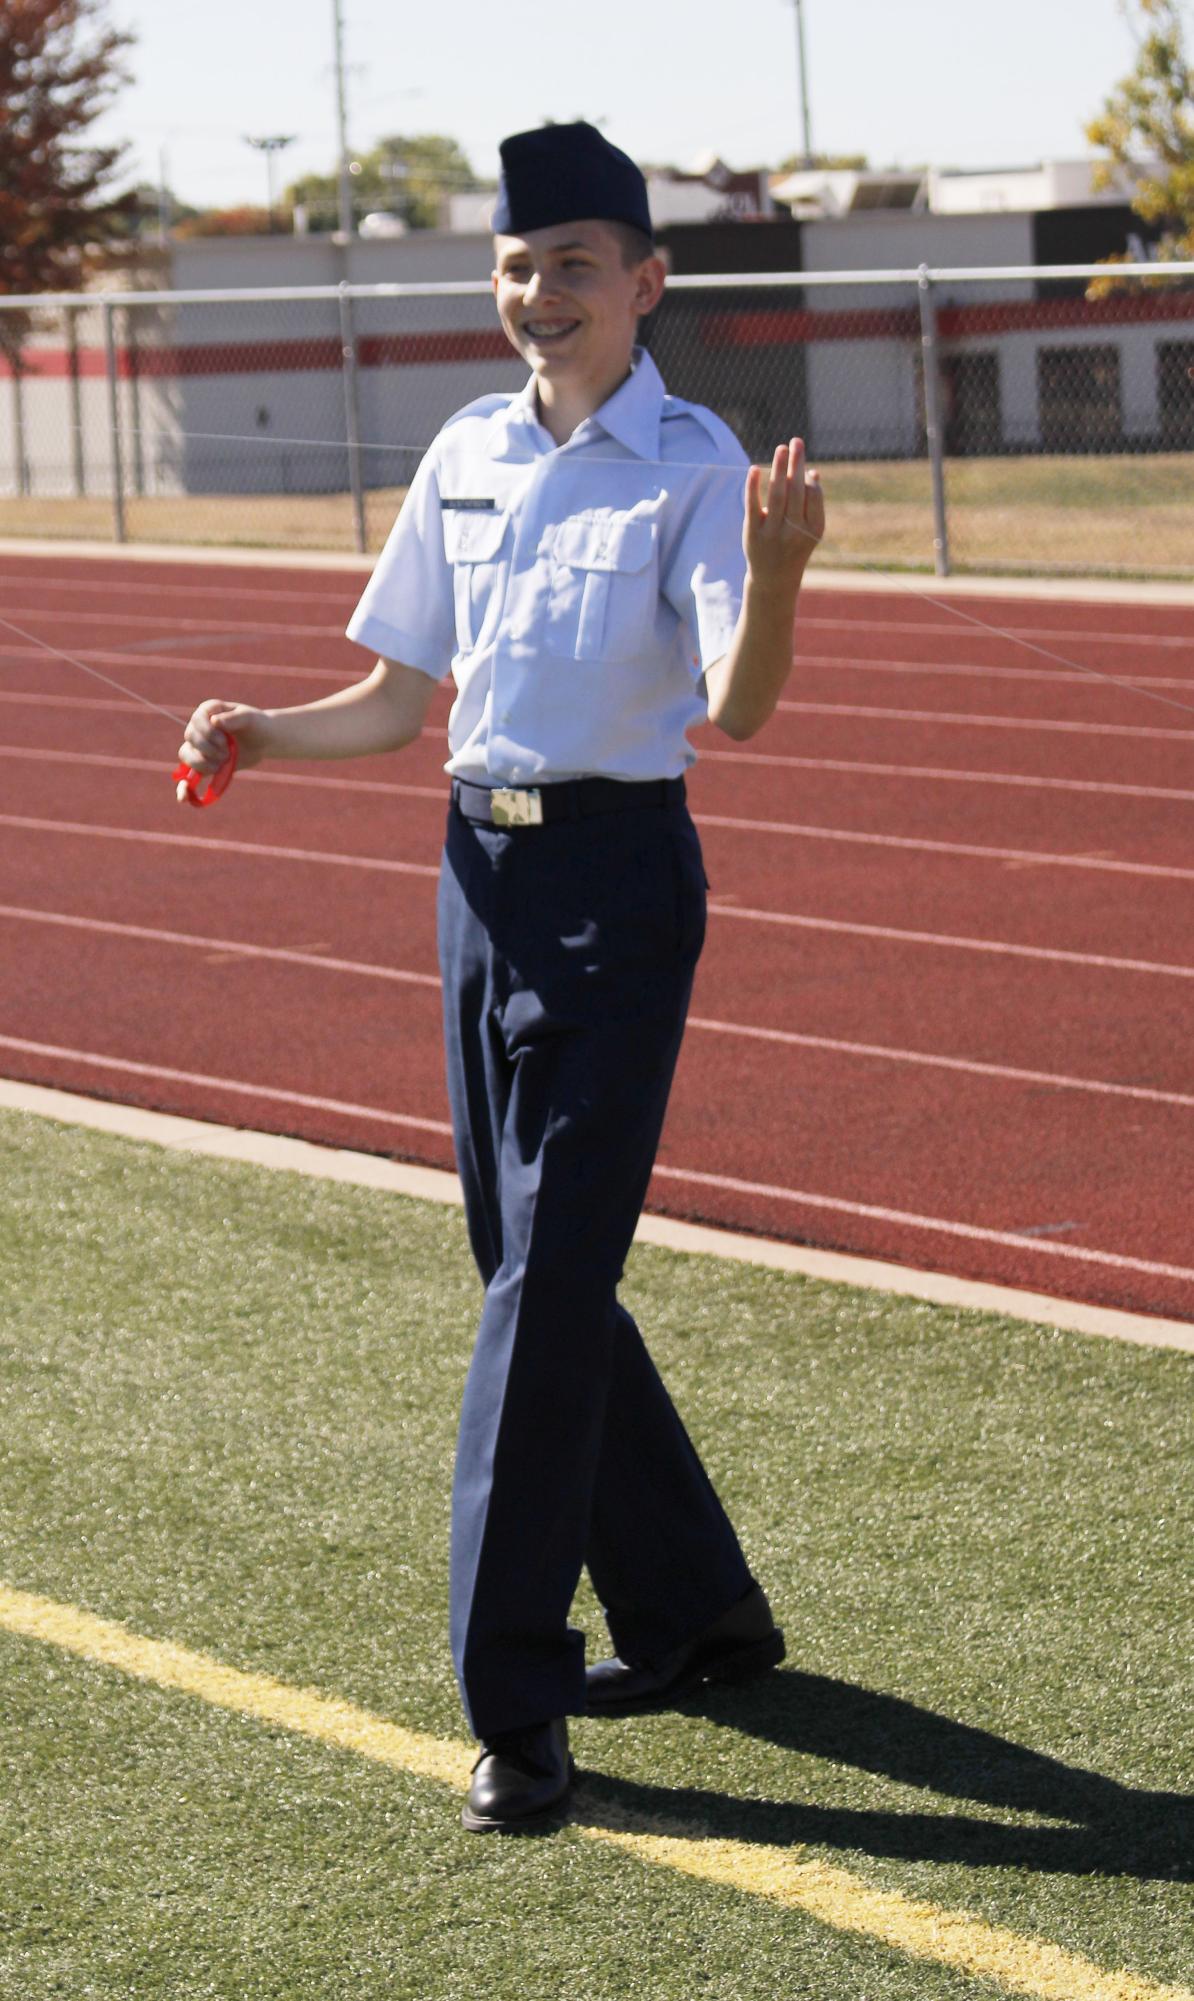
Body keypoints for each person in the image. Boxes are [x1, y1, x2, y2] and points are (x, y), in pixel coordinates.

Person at [177, 121, 825, 1835]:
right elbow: (399, 702)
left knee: (540, 1284)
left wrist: (774, 572)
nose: (541, 295)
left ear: (646, 285)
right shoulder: (466, 450)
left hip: (616, 887)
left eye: (577, 268)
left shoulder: (690, 462)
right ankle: (696, 1616)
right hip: (476, 870)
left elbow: (734, 706)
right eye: (520, 266)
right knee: (526, 1258)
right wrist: (259, 730)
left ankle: (515, 1698)